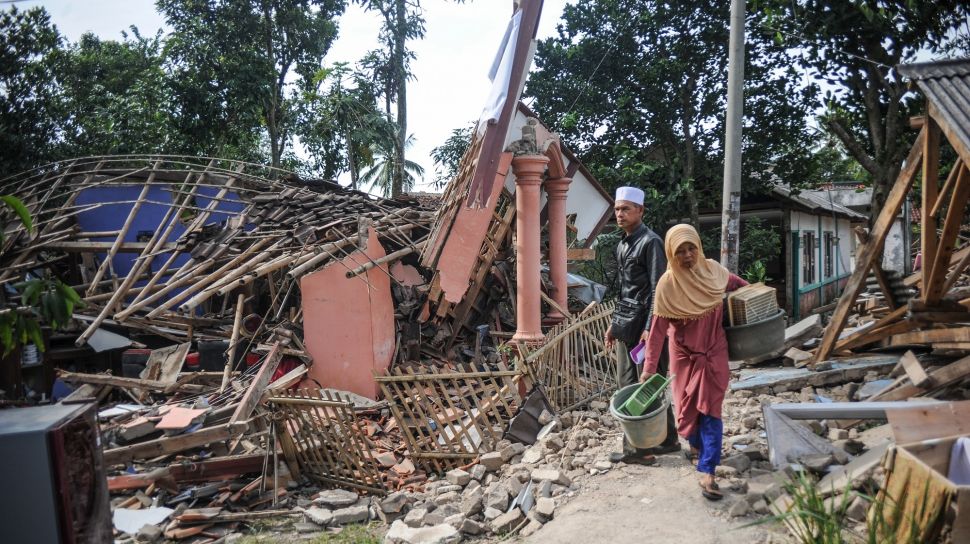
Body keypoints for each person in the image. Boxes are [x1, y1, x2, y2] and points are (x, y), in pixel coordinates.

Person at [640, 224, 748, 500]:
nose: (688, 256)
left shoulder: (713, 271)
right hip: (684, 357)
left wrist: (763, 301)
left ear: (699, 248)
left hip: (714, 353)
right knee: (686, 413)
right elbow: (657, 333)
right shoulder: (667, 285)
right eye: (680, 252)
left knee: (711, 410)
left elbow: (741, 287)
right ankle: (697, 447)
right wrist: (649, 369)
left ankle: (708, 471)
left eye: (692, 249)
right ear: (670, 254)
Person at [603, 186, 680, 466]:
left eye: (625, 209)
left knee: (644, 385)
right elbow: (625, 291)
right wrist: (613, 325)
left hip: (647, 327)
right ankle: (668, 440)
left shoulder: (651, 242)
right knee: (630, 383)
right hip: (627, 324)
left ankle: (639, 450)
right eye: (617, 209)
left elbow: (660, 290)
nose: (619, 214)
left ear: (640, 211)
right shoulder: (623, 244)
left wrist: (651, 327)